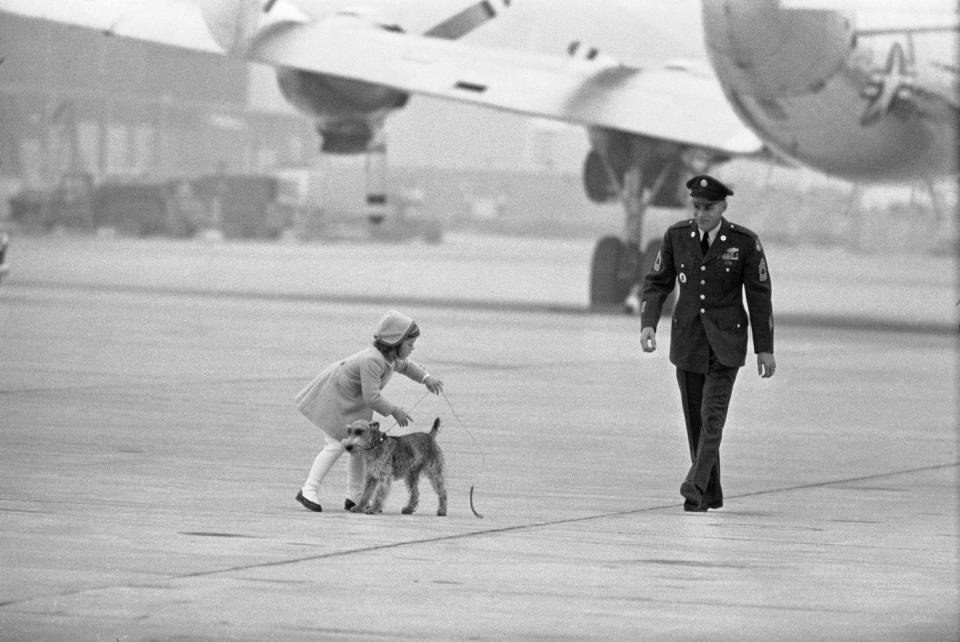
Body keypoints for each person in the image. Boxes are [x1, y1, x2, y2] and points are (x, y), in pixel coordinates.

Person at [639, 174, 775, 512]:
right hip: (688, 341)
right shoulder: (677, 236)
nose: (701, 214)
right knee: (695, 420)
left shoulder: (744, 242)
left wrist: (764, 348)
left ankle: (694, 484)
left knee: (712, 417)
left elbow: (759, 297)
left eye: (709, 208)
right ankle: (710, 494)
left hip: (726, 342)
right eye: (697, 207)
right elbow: (658, 282)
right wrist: (648, 324)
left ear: (723, 207)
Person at [294, 310, 444, 512]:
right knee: (335, 444)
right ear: (395, 343)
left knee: (359, 451)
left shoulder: (390, 358)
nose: (412, 348)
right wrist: (394, 411)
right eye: (409, 344)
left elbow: (407, 367)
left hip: (353, 403)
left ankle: (355, 497)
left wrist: (426, 378)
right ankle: (308, 489)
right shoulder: (373, 360)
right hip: (337, 399)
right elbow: (371, 397)